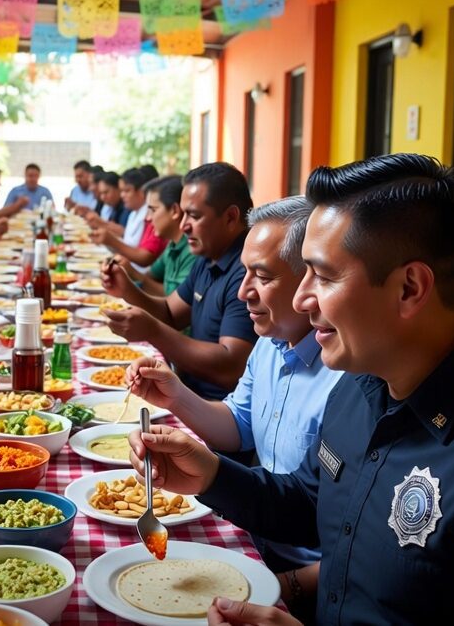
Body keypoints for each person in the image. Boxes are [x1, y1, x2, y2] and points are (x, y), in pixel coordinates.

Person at [129, 154, 454, 625]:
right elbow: (311, 505)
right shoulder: (362, 384)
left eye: (322, 276)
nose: (303, 299)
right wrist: (210, 475)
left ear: (409, 288)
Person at [125, 196, 342, 614]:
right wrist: (176, 396)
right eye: (244, 273)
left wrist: (284, 587)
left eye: (262, 276)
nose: (244, 291)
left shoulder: (349, 376)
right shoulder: (270, 343)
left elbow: (345, 540)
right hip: (251, 530)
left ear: (311, 281)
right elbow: (238, 426)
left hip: (302, 575)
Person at [102, 162, 257, 401]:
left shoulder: (247, 272)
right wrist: (127, 289)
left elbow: (230, 366)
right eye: (183, 214)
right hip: (186, 389)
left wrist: (153, 331)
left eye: (194, 215)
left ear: (231, 217)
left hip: (218, 409)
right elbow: (171, 313)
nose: (183, 225)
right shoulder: (209, 257)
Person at [114, 176, 196, 297]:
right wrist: (124, 271)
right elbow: (151, 276)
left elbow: (175, 301)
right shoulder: (173, 244)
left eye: (153, 210)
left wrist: (133, 273)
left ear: (174, 211)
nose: (148, 218)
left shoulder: (193, 250)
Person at [90, 168, 167, 269]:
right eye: (122, 191)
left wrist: (111, 240)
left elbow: (144, 257)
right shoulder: (133, 213)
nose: (122, 195)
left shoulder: (148, 215)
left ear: (141, 191)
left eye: (127, 191)